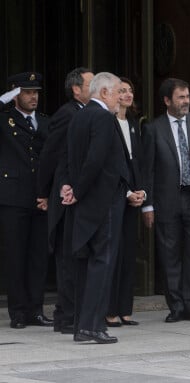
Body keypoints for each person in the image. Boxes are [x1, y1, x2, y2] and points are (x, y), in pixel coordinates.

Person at [64, 72, 137, 344]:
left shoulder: (79, 116)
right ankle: (92, 327)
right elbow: (96, 160)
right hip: (104, 203)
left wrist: (73, 188)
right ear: (104, 93)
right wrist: (79, 190)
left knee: (88, 265)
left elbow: (72, 159)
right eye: (118, 91)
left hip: (87, 204)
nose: (121, 97)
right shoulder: (104, 118)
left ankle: (81, 326)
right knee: (102, 264)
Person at [141, 78, 190, 324]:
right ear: (167, 101)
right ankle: (175, 305)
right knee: (170, 253)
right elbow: (148, 170)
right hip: (167, 201)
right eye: (180, 97)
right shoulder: (154, 129)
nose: (186, 101)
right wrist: (148, 205)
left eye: (187, 96)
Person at [37, 67, 94, 334]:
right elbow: (50, 155)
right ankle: (66, 316)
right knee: (67, 260)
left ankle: (67, 313)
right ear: (76, 89)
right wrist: (43, 192)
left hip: (77, 198)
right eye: (90, 84)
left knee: (75, 258)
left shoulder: (87, 113)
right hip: (64, 197)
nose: (94, 89)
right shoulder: (67, 114)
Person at [0, 72, 52, 329]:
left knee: (37, 257)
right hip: (13, 198)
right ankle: (18, 312)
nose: (34, 97)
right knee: (15, 257)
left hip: (41, 197)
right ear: (15, 94)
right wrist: (4, 99)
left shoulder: (45, 122)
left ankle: (36, 310)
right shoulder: (4, 119)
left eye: (36, 92)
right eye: (27, 92)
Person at [106, 77, 146, 327]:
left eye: (130, 90)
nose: (127, 94)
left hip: (134, 197)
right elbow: (111, 165)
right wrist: (125, 192)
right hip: (114, 197)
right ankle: (109, 310)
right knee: (113, 254)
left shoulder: (133, 124)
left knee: (129, 252)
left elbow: (138, 163)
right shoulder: (107, 123)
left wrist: (142, 192)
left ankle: (124, 308)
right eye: (122, 91)